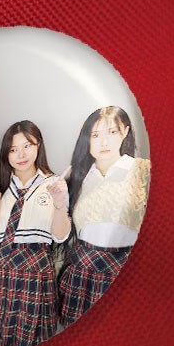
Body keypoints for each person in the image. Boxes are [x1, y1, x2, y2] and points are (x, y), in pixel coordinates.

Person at [0, 120, 70, 346]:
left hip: (36, 272)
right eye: (13, 149)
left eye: (27, 146)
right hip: (2, 272)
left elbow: (60, 237)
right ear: (6, 154)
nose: (21, 155)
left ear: (39, 146)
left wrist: (59, 204)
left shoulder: (54, 185)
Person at [59, 106, 151, 327]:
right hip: (83, 272)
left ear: (125, 132)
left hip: (124, 269)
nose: (104, 142)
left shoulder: (142, 171)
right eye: (95, 135)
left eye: (112, 132)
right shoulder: (78, 178)